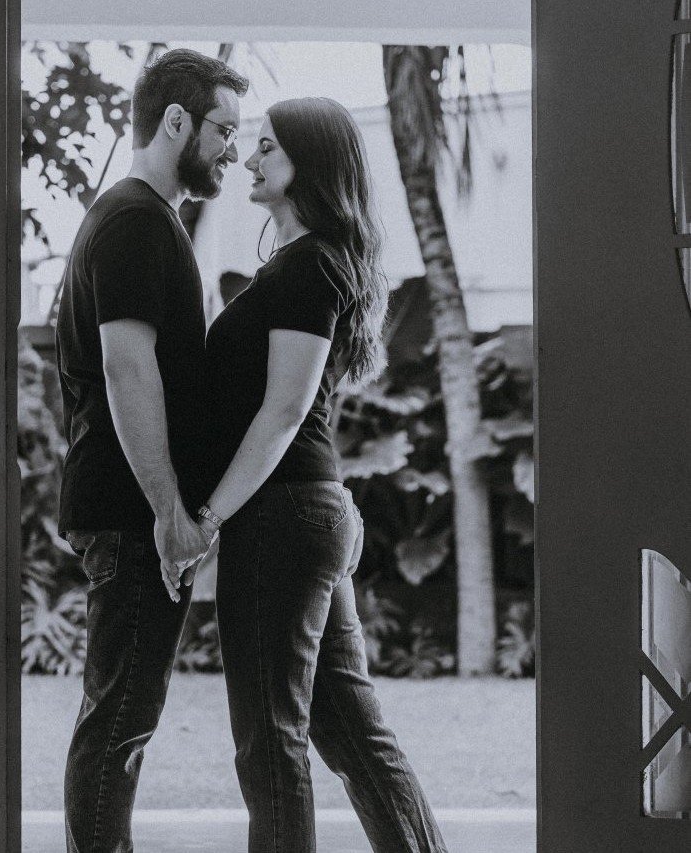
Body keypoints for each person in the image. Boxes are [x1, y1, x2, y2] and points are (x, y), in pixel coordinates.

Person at [195, 98, 448, 853]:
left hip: (280, 517)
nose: (248, 159)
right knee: (351, 732)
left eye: (267, 147)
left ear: (309, 163)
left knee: (269, 737)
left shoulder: (308, 268)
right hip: (301, 513)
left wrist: (208, 517)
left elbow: (283, 412)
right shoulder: (306, 262)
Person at [55, 49, 248, 853]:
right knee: (120, 723)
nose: (232, 150)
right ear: (175, 121)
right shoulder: (135, 220)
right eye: (223, 130)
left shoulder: (139, 215)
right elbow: (126, 367)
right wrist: (169, 511)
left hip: (126, 508)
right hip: (132, 513)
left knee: (121, 718)